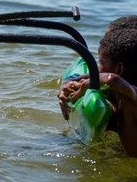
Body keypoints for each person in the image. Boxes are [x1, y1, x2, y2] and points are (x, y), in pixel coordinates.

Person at [58, 16, 137, 156]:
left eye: (100, 62)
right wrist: (67, 85)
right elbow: (90, 77)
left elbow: (115, 80)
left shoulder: (130, 93)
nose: (96, 67)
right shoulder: (115, 87)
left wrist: (101, 80)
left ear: (118, 69)